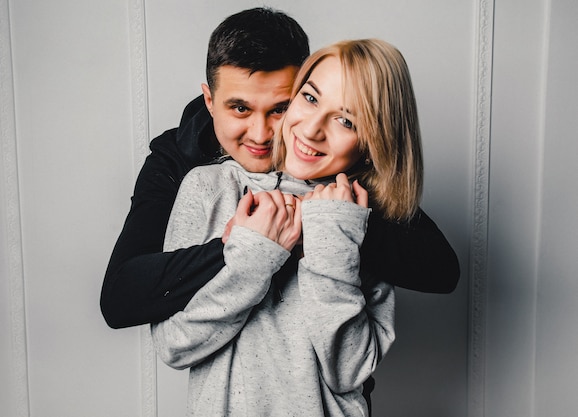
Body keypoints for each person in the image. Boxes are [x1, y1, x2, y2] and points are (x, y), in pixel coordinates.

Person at [100, 6, 459, 412]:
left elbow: (438, 268)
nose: (261, 133)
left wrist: (331, 233)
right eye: (239, 108)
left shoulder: (355, 202)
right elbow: (130, 306)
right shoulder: (191, 174)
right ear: (209, 101)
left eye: (280, 108)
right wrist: (250, 249)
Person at [153, 38, 423, 416]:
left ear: (373, 142)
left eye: (346, 120)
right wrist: (255, 256)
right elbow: (174, 346)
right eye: (310, 98)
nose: (312, 130)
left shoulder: (361, 216)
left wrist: (333, 240)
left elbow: (350, 370)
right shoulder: (208, 188)